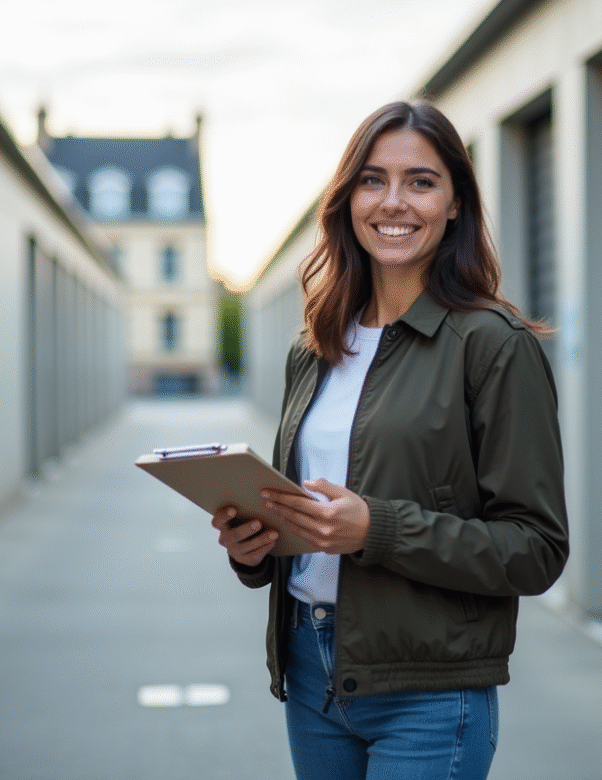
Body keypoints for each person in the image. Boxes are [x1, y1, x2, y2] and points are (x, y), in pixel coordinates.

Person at [212, 100, 568, 780]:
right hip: (310, 666)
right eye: (372, 180)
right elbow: (306, 516)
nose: (393, 202)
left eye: (422, 181)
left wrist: (377, 529)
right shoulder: (315, 347)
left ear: (456, 202)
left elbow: (536, 549)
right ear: (348, 200)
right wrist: (253, 546)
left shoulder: (493, 346)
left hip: (429, 690)